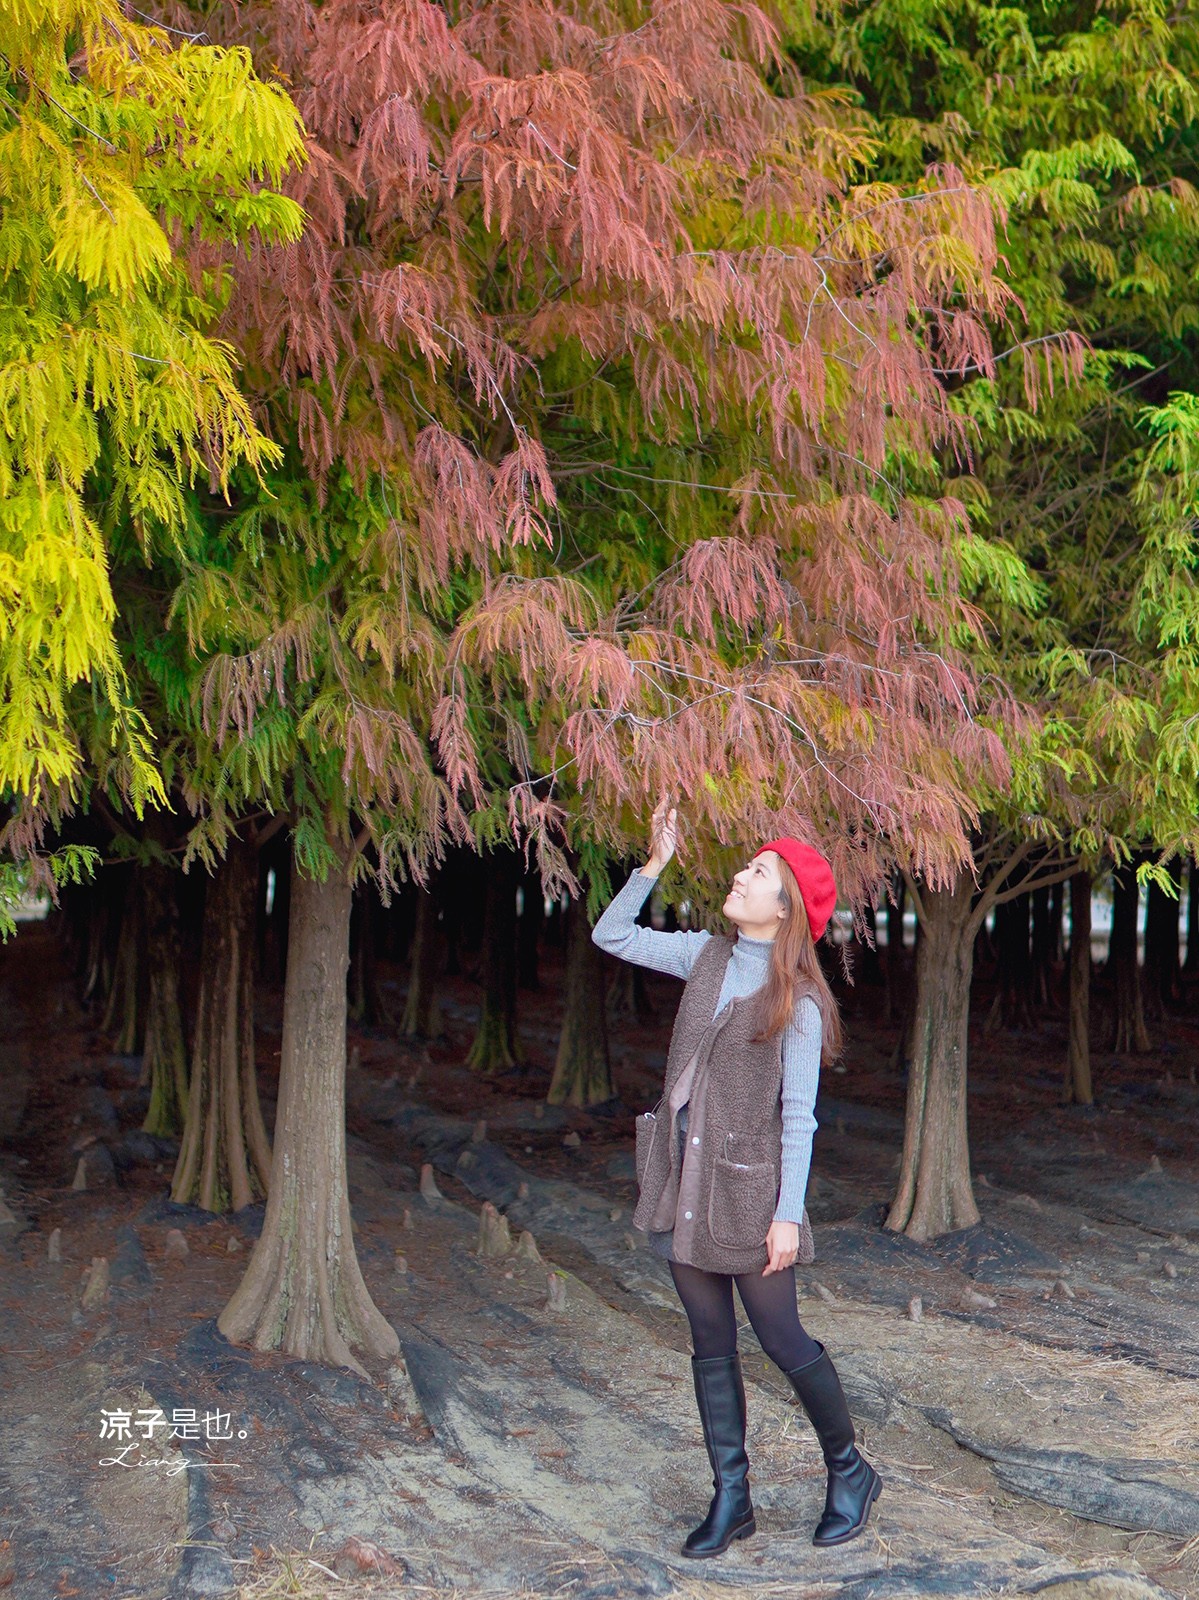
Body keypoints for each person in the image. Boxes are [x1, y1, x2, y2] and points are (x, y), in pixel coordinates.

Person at [592, 800, 881, 1559]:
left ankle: (849, 1472)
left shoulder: (801, 1004)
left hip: (749, 1194)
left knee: (780, 1336)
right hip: (681, 1180)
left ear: (784, 907)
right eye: (745, 866)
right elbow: (610, 934)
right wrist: (652, 863)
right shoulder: (705, 956)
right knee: (708, 1338)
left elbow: (797, 1120)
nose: (739, 876)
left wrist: (786, 1216)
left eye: (756, 872)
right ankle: (732, 1498)